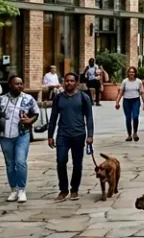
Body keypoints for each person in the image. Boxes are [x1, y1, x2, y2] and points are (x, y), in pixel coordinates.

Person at [0, 75, 39, 202]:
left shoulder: (28, 99)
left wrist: (29, 120)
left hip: (22, 134)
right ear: (10, 85)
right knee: (10, 164)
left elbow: (36, 113)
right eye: (17, 84)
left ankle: (22, 189)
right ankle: (14, 189)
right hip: (5, 136)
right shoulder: (1, 100)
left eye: (21, 84)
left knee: (21, 162)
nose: (20, 86)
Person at [48, 72, 94, 200]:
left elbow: (89, 117)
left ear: (76, 83)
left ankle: (74, 189)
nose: (69, 83)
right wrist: (50, 135)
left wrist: (90, 135)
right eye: (66, 81)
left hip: (79, 134)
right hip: (63, 134)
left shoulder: (84, 98)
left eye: (71, 81)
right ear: (63, 83)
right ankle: (63, 189)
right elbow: (53, 117)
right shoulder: (58, 98)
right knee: (61, 161)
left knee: (77, 163)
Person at [114, 66, 144, 142]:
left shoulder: (139, 82)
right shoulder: (125, 82)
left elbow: (142, 93)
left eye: (133, 72)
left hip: (136, 100)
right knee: (128, 118)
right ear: (128, 73)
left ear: (135, 73)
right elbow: (121, 92)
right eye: (130, 72)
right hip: (127, 101)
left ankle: (135, 133)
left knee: (135, 116)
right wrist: (117, 102)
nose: (131, 73)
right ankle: (129, 135)